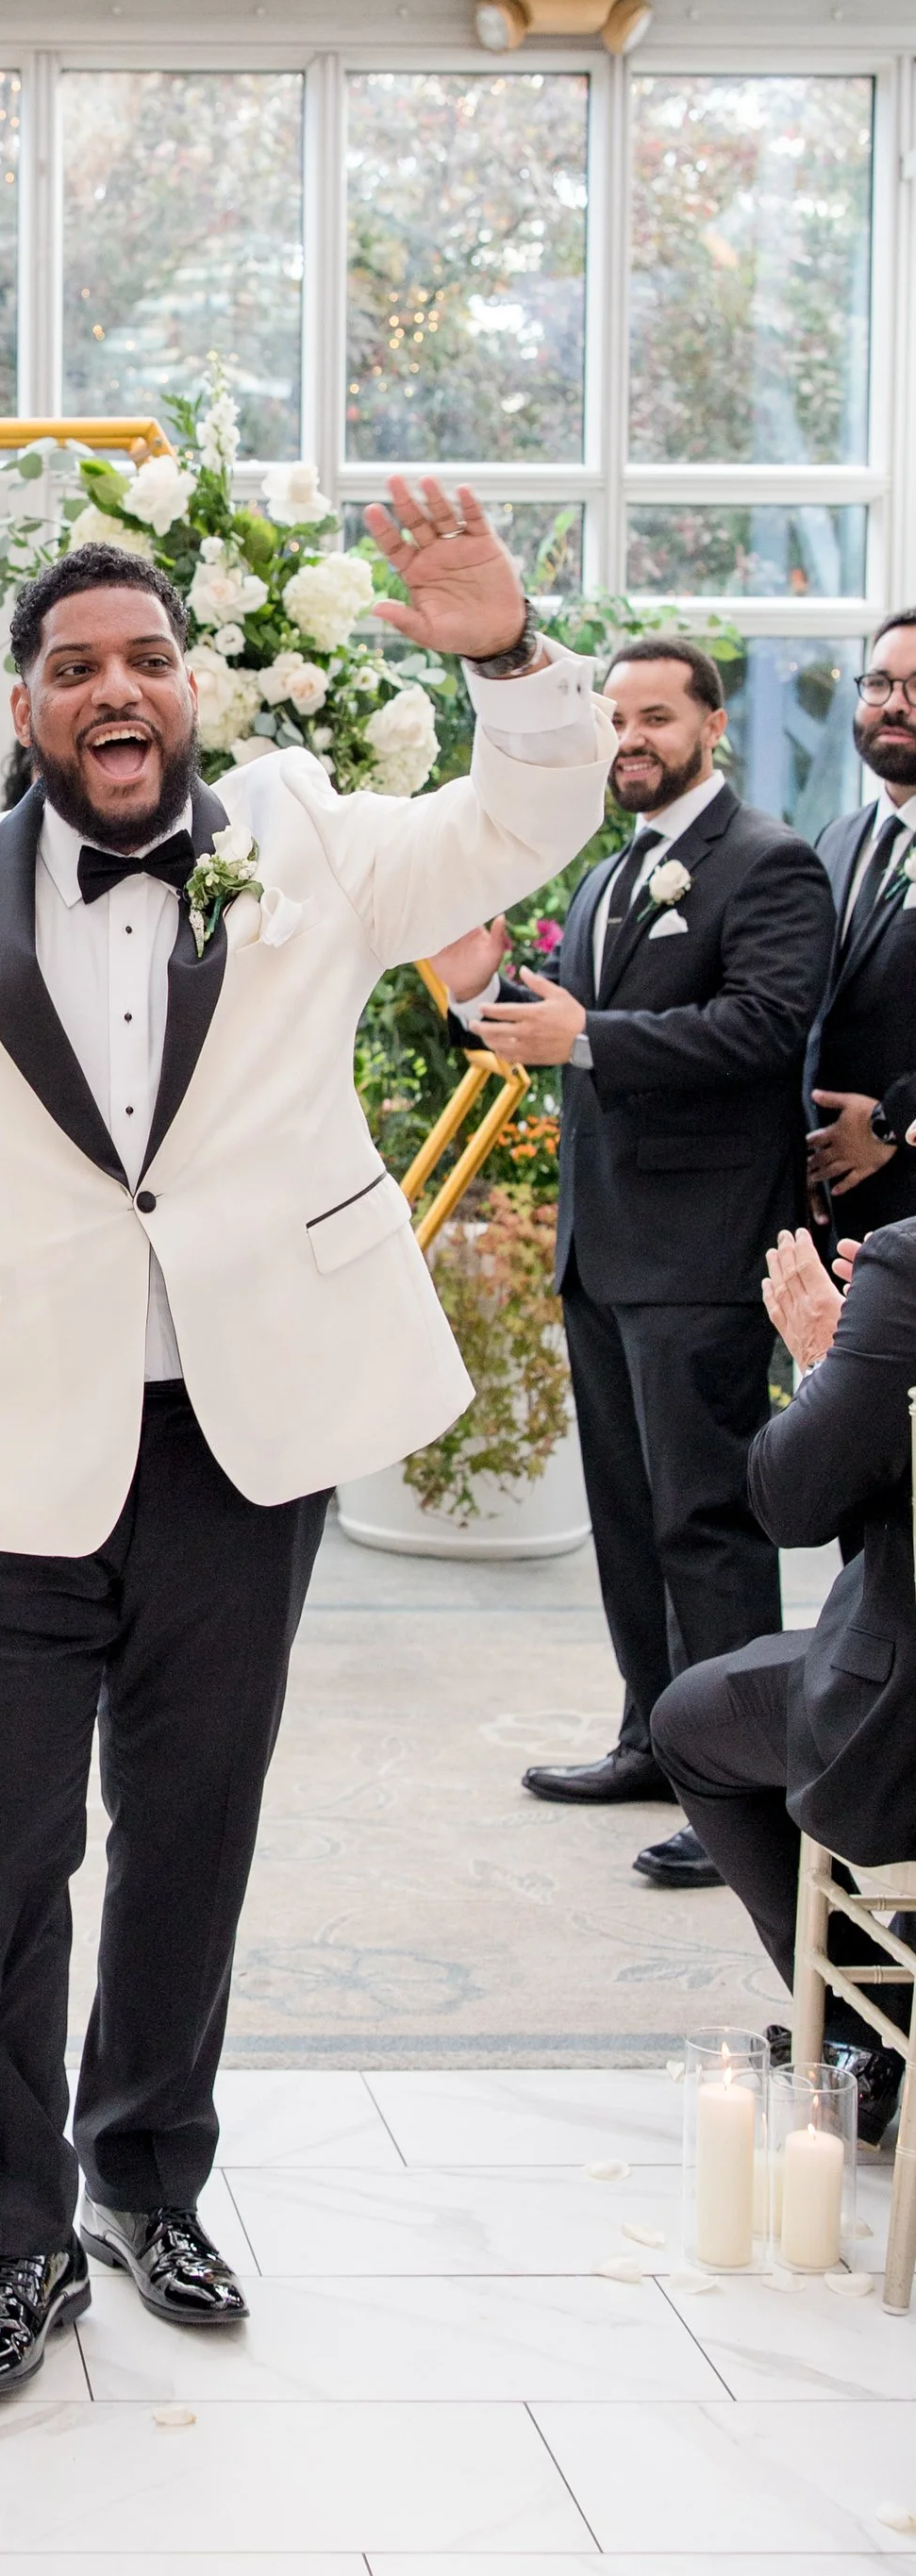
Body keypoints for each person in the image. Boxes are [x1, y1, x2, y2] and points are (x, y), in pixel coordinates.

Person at [0, 481, 611, 2395]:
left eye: (140, 657)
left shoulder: (299, 837)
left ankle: (146, 2178)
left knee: (190, 1826)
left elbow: (525, 814)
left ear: (186, 687)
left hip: (245, 1429)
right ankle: (11, 2240)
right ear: (25, 705)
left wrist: (506, 651)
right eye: (69, 667)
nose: (109, 686)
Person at [443, 639, 834, 1894]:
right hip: (604, 1249)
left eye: (655, 715)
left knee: (706, 1521)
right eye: (612, 716)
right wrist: (481, 990)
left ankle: (741, 1776)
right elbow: (572, 1032)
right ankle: (651, 1741)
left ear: (711, 725)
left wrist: (591, 1032)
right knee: (627, 1520)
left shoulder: (768, 863)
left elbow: (766, 1028)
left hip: (707, 1249)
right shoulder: (616, 870)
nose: (628, 737)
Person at [649, 1220, 916, 2139]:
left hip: (904, 1724)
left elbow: (791, 1501)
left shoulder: (907, 1263)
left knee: (691, 1718)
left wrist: (827, 1357)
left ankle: (852, 2039)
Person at [806, 612, 916, 1247]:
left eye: (915, 687)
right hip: (837, 1213)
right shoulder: (839, 838)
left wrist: (887, 1123)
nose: (893, 706)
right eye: (878, 684)